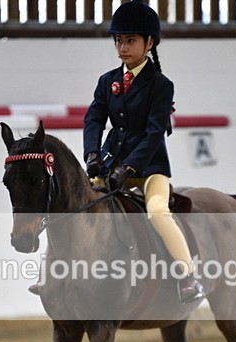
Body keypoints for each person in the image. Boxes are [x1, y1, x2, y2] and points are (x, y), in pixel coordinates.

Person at [83, 0, 205, 304]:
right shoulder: (107, 81)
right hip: (113, 164)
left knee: (158, 212)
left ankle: (188, 276)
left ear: (149, 43)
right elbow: (94, 118)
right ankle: (57, 275)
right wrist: (92, 155)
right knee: (79, 206)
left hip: (150, 169)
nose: (123, 48)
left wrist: (131, 167)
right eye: (119, 41)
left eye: (131, 41)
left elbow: (154, 133)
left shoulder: (161, 85)